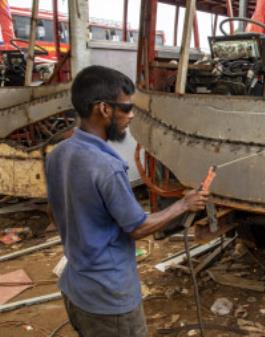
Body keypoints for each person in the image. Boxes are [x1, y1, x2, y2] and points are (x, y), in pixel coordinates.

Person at [45, 65, 208, 337]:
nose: (131, 116)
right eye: (126, 108)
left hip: (75, 289)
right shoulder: (107, 166)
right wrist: (184, 205)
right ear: (104, 109)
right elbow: (137, 227)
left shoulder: (59, 153)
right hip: (109, 301)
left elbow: (54, 213)